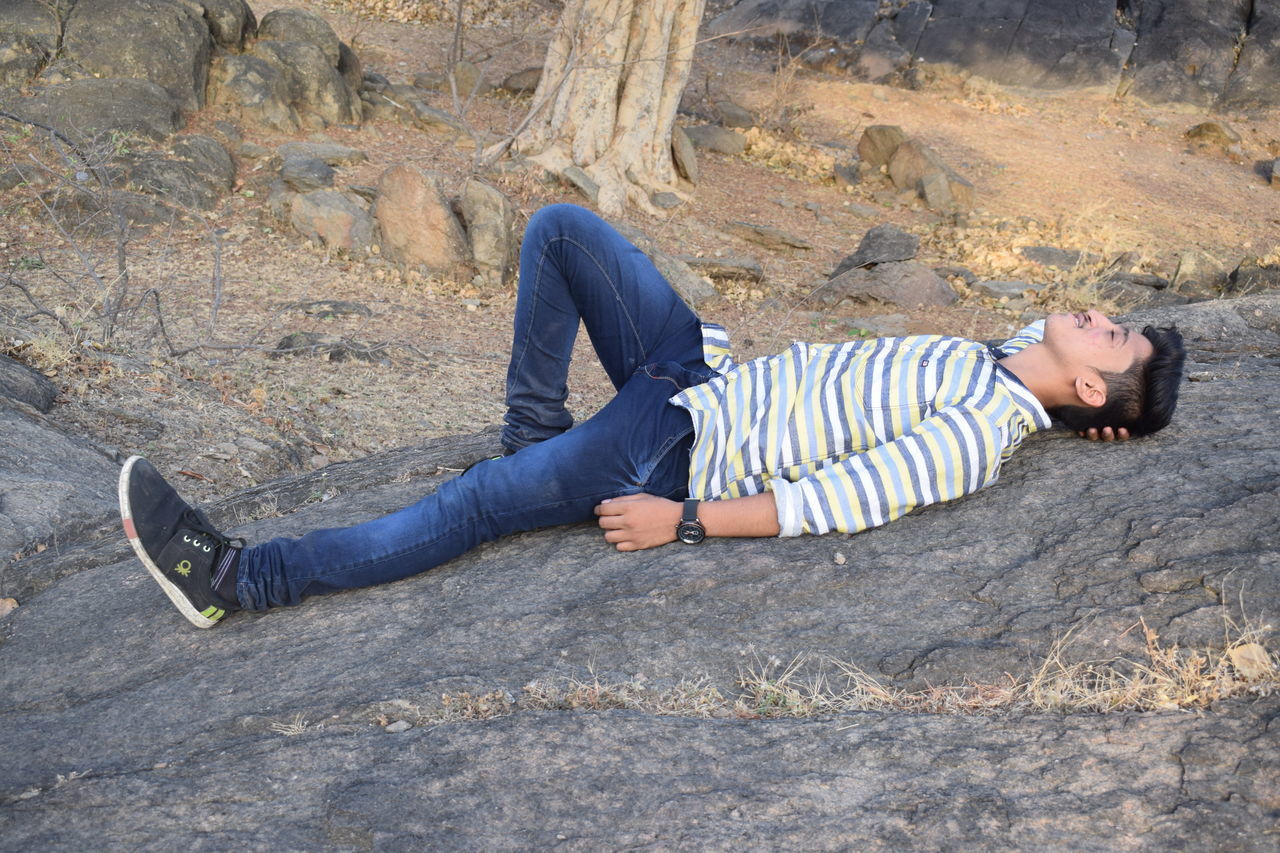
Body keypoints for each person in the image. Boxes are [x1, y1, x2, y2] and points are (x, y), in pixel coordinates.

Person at [119, 204, 1186, 628]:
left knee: (480, 503)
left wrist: (677, 520)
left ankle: (236, 579)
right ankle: (537, 436)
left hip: (673, 447)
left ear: (1088, 381)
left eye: (1107, 334)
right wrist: (1104, 410)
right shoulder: (1004, 362)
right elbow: (1065, 382)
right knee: (562, 231)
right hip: (689, 370)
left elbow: (837, 501)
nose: (1094, 314)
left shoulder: (972, 432)